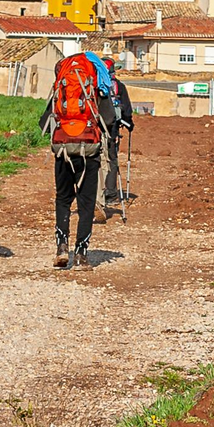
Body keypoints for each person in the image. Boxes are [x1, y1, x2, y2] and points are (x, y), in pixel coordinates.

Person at [42, 50, 107, 267]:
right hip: (89, 147)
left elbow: (43, 122)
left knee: (63, 198)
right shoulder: (95, 89)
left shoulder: (60, 89)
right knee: (86, 202)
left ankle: (62, 245)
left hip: (62, 147)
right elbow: (110, 119)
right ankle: (81, 253)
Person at [97, 55, 135, 216]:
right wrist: (129, 124)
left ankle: (94, 192)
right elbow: (127, 110)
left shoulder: (94, 85)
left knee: (95, 159)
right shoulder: (118, 86)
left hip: (95, 127)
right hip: (112, 127)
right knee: (111, 158)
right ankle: (111, 193)